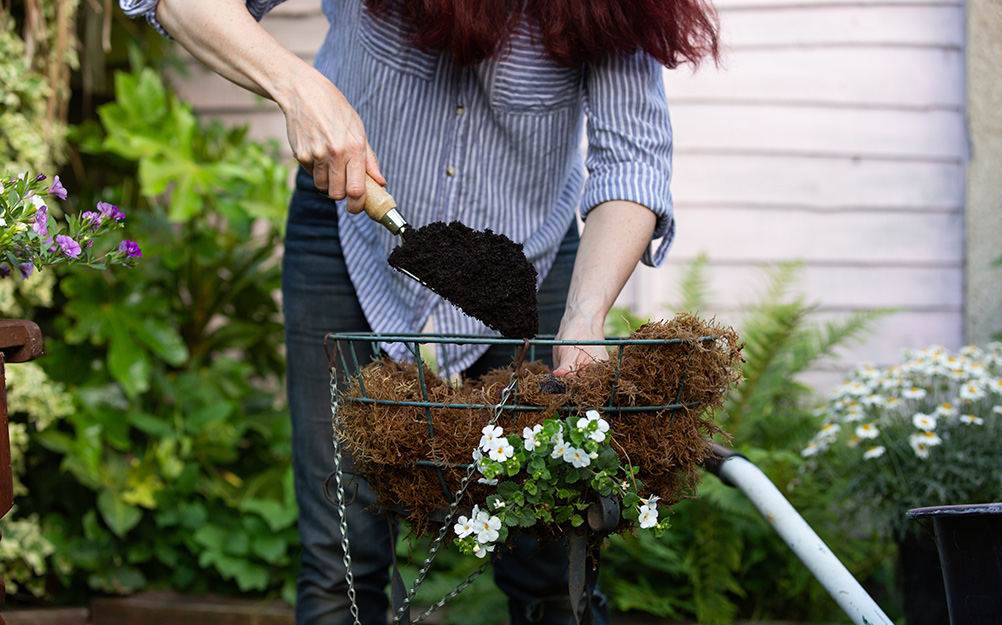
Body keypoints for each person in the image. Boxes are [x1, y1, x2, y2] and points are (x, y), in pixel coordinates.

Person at [120, 0, 719, 623]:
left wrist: (585, 317)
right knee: (340, 562)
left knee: (552, 567)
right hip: (348, 225)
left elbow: (632, 160)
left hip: (531, 258)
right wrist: (297, 84)